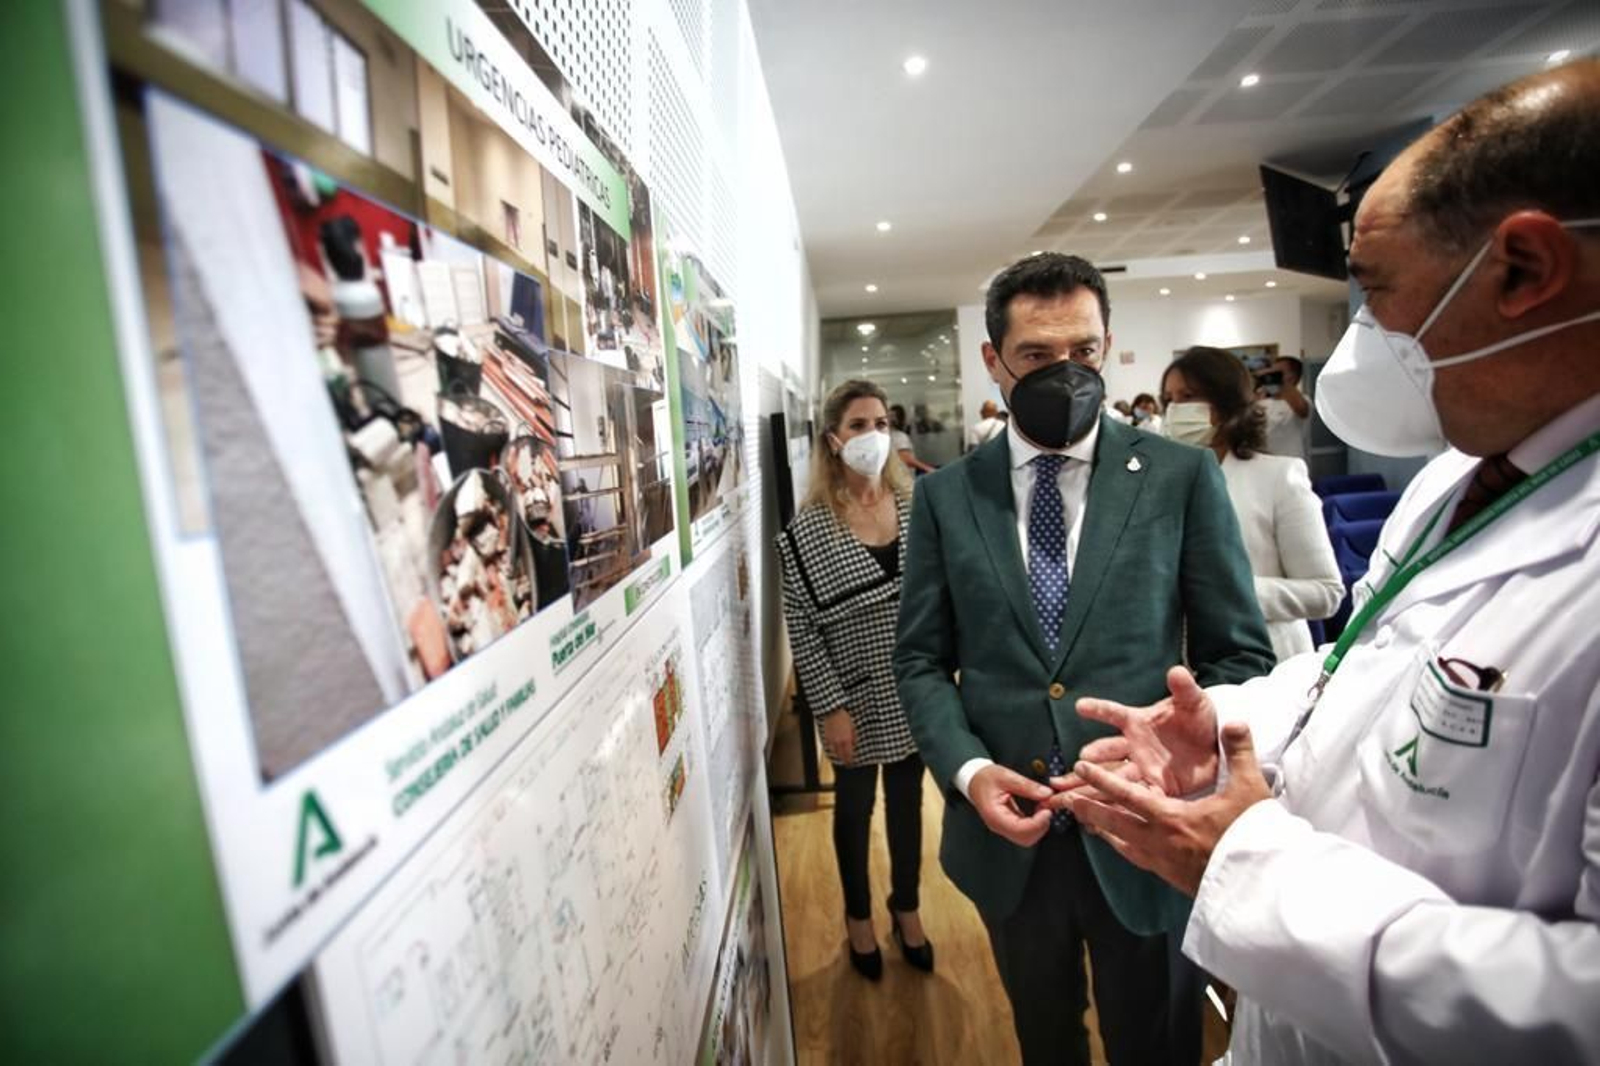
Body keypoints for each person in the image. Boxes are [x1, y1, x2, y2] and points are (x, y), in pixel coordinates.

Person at [1064, 59, 1600, 1064]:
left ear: (1524, 269)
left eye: (1376, 293)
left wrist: (1247, 859)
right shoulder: (1465, 476)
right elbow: (1366, 659)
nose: (1359, 339)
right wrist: (1225, 725)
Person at [894, 252, 1274, 1063]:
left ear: (1107, 345)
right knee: (1044, 1039)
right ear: (993, 361)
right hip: (1012, 837)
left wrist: (1186, 746)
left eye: (1085, 352)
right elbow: (922, 661)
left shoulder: (1180, 478)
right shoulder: (944, 498)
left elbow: (1237, 652)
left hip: (1147, 835)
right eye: (1037, 356)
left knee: (1160, 1042)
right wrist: (968, 771)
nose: (1066, 373)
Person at [777, 379, 933, 981]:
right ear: (833, 439)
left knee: (907, 804)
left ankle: (907, 907)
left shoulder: (918, 505)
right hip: (852, 696)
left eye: (881, 423)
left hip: (914, 686)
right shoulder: (806, 532)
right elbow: (804, 631)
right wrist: (830, 709)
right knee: (854, 808)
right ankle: (858, 918)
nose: (873, 435)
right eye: (860, 425)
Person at [1163, 346, 1343, 661]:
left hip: (1267, 660)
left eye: (1188, 397)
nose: (1175, 410)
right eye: (1170, 400)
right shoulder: (1160, 483)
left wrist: (1228, 590)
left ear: (1225, 404)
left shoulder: (1279, 477)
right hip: (1182, 667)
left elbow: (1325, 592)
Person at [1257, 355, 1311, 463]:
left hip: (1292, 466)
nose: (1272, 376)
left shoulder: (1304, 400)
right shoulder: (1261, 403)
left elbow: (1302, 410)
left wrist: (1281, 382)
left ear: (1293, 376)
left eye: (1278, 373)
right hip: (1266, 465)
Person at [888, 402, 937, 474]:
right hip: (903, 479)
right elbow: (906, 459)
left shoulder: (888, 436)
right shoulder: (899, 436)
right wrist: (928, 469)